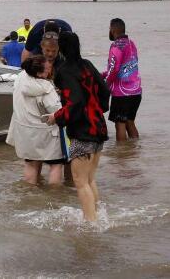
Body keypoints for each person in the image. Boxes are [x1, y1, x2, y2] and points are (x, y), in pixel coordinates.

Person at [46, 32, 110, 222]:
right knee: (90, 179)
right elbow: (105, 90)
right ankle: (98, 216)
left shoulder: (64, 71)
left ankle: (91, 225)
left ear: (61, 49)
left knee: (81, 182)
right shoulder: (87, 65)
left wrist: (55, 117)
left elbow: (74, 102)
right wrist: (99, 109)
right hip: (98, 128)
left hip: (83, 132)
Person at [6, 55, 64, 185]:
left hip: (24, 131)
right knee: (56, 165)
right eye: (47, 69)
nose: (50, 70)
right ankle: (55, 198)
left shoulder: (20, 78)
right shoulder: (46, 88)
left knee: (31, 164)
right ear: (38, 73)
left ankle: (30, 195)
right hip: (46, 134)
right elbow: (57, 110)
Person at [102, 18, 142, 142]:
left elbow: (114, 70)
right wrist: (103, 74)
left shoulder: (115, 46)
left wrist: (105, 84)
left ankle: (121, 157)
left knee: (120, 124)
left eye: (109, 29)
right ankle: (133, 153)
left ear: (113, 30)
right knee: (130, 122)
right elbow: (125, 67)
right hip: (136, 92)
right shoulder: (131, 43)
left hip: (121, 94)